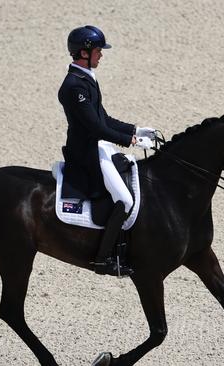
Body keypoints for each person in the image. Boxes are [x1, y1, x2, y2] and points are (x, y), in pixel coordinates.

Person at [58, 25, 155, 277]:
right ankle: (104, 259)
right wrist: (131, 140)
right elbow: (94, 127)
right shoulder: (73, 86)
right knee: (124, 199)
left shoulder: (87, 77)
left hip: (98, 145)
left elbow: (103, 118)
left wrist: (137, 129)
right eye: (98, 51)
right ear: (83, 52)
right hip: (85, 153)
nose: (101, 55)